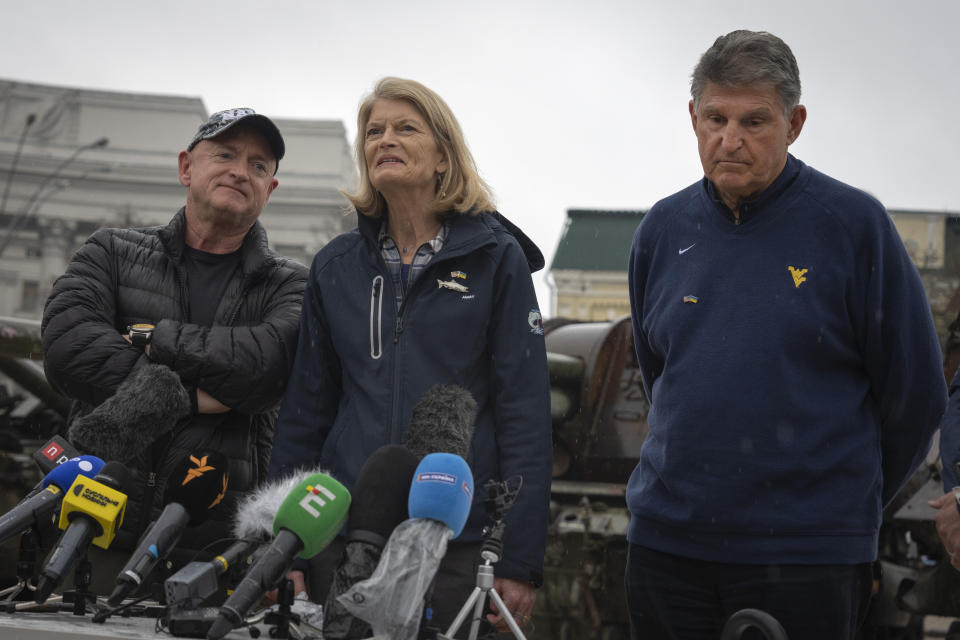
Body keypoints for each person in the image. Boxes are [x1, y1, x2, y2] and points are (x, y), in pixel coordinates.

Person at [625, 30, 946, 639]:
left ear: (795, 123)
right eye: (715, 118)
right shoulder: (662, 230)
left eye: (754, 121)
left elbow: (917, 393)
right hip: (667, 548)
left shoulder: (854, 227)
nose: (730, 139)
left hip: (807, 556)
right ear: (692, 116)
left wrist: (839, 506)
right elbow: (660, 377)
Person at [266, 77, 552, 634]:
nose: (384, 141)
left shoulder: (498, 260)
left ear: (443, 155)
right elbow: (304, 412)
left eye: (404, 128)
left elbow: (525, 414)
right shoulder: (334, 265)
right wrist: (289, 551)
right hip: (342, 534)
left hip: (456, 538)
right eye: (374, 132)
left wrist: (518, 561)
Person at [41, 108, 308, 586]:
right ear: (187, 167)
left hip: (212, 549)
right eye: (224, 154)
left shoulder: (291, 286)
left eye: (258, 165)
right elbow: (68, 348)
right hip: (86, 526)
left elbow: (269, 367)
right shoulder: (111, 251)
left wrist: (153, 339)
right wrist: (186, 397)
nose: (240, 171)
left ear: (270, 190)